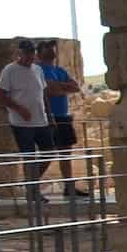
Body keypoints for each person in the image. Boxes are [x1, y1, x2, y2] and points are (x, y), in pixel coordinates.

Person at [0, 38, 52, 204]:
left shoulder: (38, 70)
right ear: (19, 53)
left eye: (32, 53)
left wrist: (50, 115)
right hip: (21, 123)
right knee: (29, 156)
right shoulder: (9, 70)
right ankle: (33, 190)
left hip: (41, 121)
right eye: (26, 54)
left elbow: (43, 93)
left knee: (49, 152)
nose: (30, 57)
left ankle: (30, 184)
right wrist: (19, 109)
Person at [35, 39, 90, 197]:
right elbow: (47, 89)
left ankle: (69, 187)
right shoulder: (38, 70)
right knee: (48, 153)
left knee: (66, 153)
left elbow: (75, 87)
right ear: (39, 53)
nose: (52, 50)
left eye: (52, 47)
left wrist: (57, 87)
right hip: (48, 116)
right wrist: (62, 87)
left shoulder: (59, 70)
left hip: (64, 116)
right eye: (47, 47)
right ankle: (31, 184)